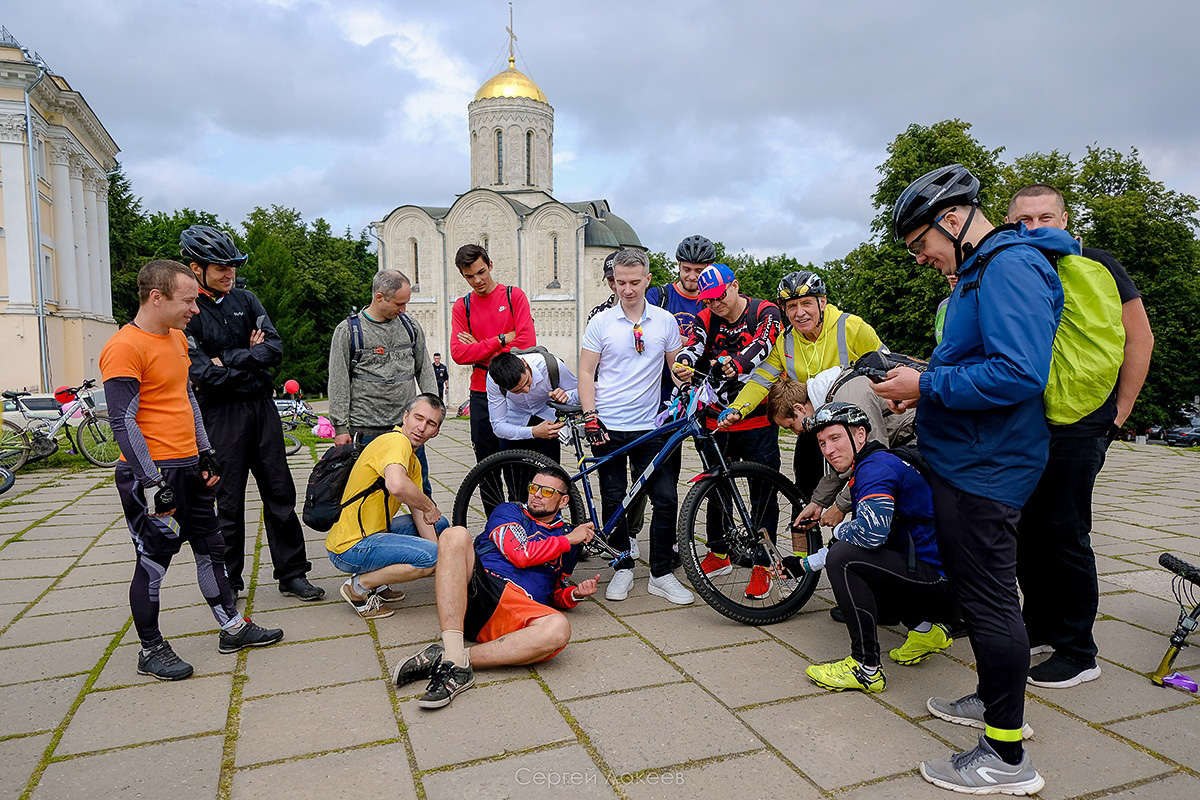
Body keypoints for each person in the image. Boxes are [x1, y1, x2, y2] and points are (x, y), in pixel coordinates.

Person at [875, 163, 1072, 795]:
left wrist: (927, 383)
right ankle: (994, 697)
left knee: (988, 598)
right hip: (968, 457)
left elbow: (1019, 374)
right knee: (980, 590)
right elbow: (977, 363)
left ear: (953, 221)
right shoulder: (981, 271)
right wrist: (922, 390)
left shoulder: (1009, 266)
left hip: (990, 465)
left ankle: (1007, 756)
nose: (921, 258)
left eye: (921, 244)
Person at [101, 260, 283, 681]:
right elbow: (123, 422)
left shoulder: (178, 340)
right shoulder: (124, 347)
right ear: (156, 297)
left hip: (189, 468)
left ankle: (232, 626)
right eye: (187, 301)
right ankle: (150, 650)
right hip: (152, 475)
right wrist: (151, 482)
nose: (196, 309)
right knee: (153, 562)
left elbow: (187, 400)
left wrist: (205, 451)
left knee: (211, 548)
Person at [1007, 183, 1154, 688]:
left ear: (1065, 220)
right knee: (1027, 528)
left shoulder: (1099, 264)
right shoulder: (1018, 265)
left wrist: (1122, 411)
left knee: (1066, 532)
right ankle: (1040, 627)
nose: (1035, 227)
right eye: (1024, 220)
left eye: (1045, 217)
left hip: (1083, 421)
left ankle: (1078, 651)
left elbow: (1139, 335)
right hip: (1029, 420)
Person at [180, 225, 322, 601]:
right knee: (227, 500)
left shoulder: (247, 299)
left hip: (261, 409)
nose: (230, 274)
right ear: (197, 269)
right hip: (221, 416)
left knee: (280, 491)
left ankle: (292, 573)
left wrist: (226, 358)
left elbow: (273, 349)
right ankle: (229, 579)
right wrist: (247, 359)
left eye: (233, 267)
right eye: (221, 267)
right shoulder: (190, 312)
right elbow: (202, 374)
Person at [390, 465, 600, 709]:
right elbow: (519, 554)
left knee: (558, 629)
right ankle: (454, 653)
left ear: (563, 500)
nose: (536, 495)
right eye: (534, 488)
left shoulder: (568, 538)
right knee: (454, 535)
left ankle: (452, 658)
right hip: (477, 589)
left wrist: (573, 594)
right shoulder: (510, 511)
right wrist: (568, 540)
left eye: (546, 491)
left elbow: (553, 590)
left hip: (514, 612)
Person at [800, 403, 954, 693]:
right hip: (941, 575)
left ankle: (866, 668)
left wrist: (839, 527)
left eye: (835, 438)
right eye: (822, 443)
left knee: (844, 561)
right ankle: (926, 631)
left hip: (944, 584)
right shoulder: (873, 463)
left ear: (860, 435)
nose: (828, 450)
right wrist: (805, 564)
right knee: (848, 553)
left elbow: (869, 535)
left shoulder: (875, 470)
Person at [579, 248, 693, 605]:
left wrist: (688, 383)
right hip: (609, 424)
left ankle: (661, 573)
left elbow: (676, 368)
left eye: (634, 282)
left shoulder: (665, 321)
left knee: (666, 498)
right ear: (613, 281)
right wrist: (589, 415)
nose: (627, 290)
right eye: (620, 282)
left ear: (647, 280)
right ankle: (623, 567)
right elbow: (585, 372)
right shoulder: (601, 322)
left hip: (650, 428)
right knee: (615, 500)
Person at [671, 263, 783, 596]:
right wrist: (686, 361)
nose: (714, 305)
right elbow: (694, 343)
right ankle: (719, 553)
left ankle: (763, 564)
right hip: (715, 420)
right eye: (707, 301)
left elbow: (764, 343)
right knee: (715, 487)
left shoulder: (765, 310)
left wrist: (739, 364)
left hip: (757, 420)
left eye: (719, 298)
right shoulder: (707, 316)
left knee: (763, 495)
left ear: (734, 286)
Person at [724, 271, 883, 499]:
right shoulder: (785, 340)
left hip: (856, 425)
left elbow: (884, 365)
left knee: (866, 489)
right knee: (802, 496)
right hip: (812, 425)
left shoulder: (851, 327)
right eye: (791, 307)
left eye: (806, 303)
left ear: (823, 302)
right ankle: (806, 530)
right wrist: (738, 408)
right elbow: (760, 380)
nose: (799, 313)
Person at [326, 393, 449, 620]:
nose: (421, 427)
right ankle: (358, 587)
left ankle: (379, 582)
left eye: (430, 423)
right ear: (405, 417)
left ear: (437, 431)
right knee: (430, 556)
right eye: (418, 418)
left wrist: (442, 562)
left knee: (440, 527)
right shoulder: (396, 442)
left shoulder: (413, 459)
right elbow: (396, 485)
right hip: (350, 546)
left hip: (374, 533)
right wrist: (429, 507)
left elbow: (421, 515)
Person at [328, 269, 436, 495]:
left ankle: (430, 530)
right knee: (365, 498)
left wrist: (434, 413)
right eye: (399, 304)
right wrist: (339, 427)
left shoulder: (411, 327)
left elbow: (424, 369)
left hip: (406, 431)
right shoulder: (348, 331)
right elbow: (338, 380)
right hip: (366, 432)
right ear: (379, 297)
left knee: (420, 493)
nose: (404, 310)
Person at [768, 373, 915, 530]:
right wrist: (818, 502)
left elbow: (875, 461)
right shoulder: (832, 398)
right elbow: (843, 460)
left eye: (791, 425)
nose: (796, 432)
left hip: (917, 441)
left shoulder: (850, 398)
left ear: (799, 408)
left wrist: (840, 507)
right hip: (902, 444)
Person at [449, 244, 536, 469]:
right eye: (469, 276)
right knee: (485, 467)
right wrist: (501, 339)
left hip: (514, 389)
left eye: (481, 272)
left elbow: (526, 346)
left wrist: (479, 349)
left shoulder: (513, 296)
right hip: (480, 392)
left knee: (517, 464)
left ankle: (517, 506)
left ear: (490, 265)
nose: (477, 280)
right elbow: (458, 353)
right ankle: (494, 507)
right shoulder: (462, 306)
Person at [486, 350, 579, 462]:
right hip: (514, 419)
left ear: (525, 363)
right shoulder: (494, 380)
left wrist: (566, 396)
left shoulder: (552, 366)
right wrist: (533, 432)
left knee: (550, 473)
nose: (526, 390)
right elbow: (498, 426)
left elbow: (580, 392)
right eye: (517, 391)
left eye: (527, 381)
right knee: (513, 474)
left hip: (546, 417)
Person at [646, 234, 712, 341]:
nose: (692, 276)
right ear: (679, 264)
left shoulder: (713, 302)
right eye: (687, 269)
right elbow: (648, 332)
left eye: (699, 271)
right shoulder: (658, 296)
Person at [586, 251, 619, 322]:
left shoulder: (645, 312)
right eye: (611, 280)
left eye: (620, 280)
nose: (615, 285)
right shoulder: (596, 314)